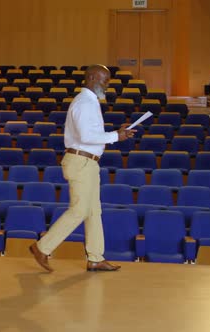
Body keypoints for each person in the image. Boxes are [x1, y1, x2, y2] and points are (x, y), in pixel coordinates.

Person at [29, 64, 135, 272]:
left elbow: (90, 135)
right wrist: (116, 136)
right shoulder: (85, 103)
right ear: (93, 78)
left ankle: (95, 258)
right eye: (105, 81)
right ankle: (42, 247)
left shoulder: (90, 102)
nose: (107, 85)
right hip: (81, 162)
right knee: (80, 209)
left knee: (94, 211)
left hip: (88, 162)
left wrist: (116, 133)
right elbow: (86, 137)